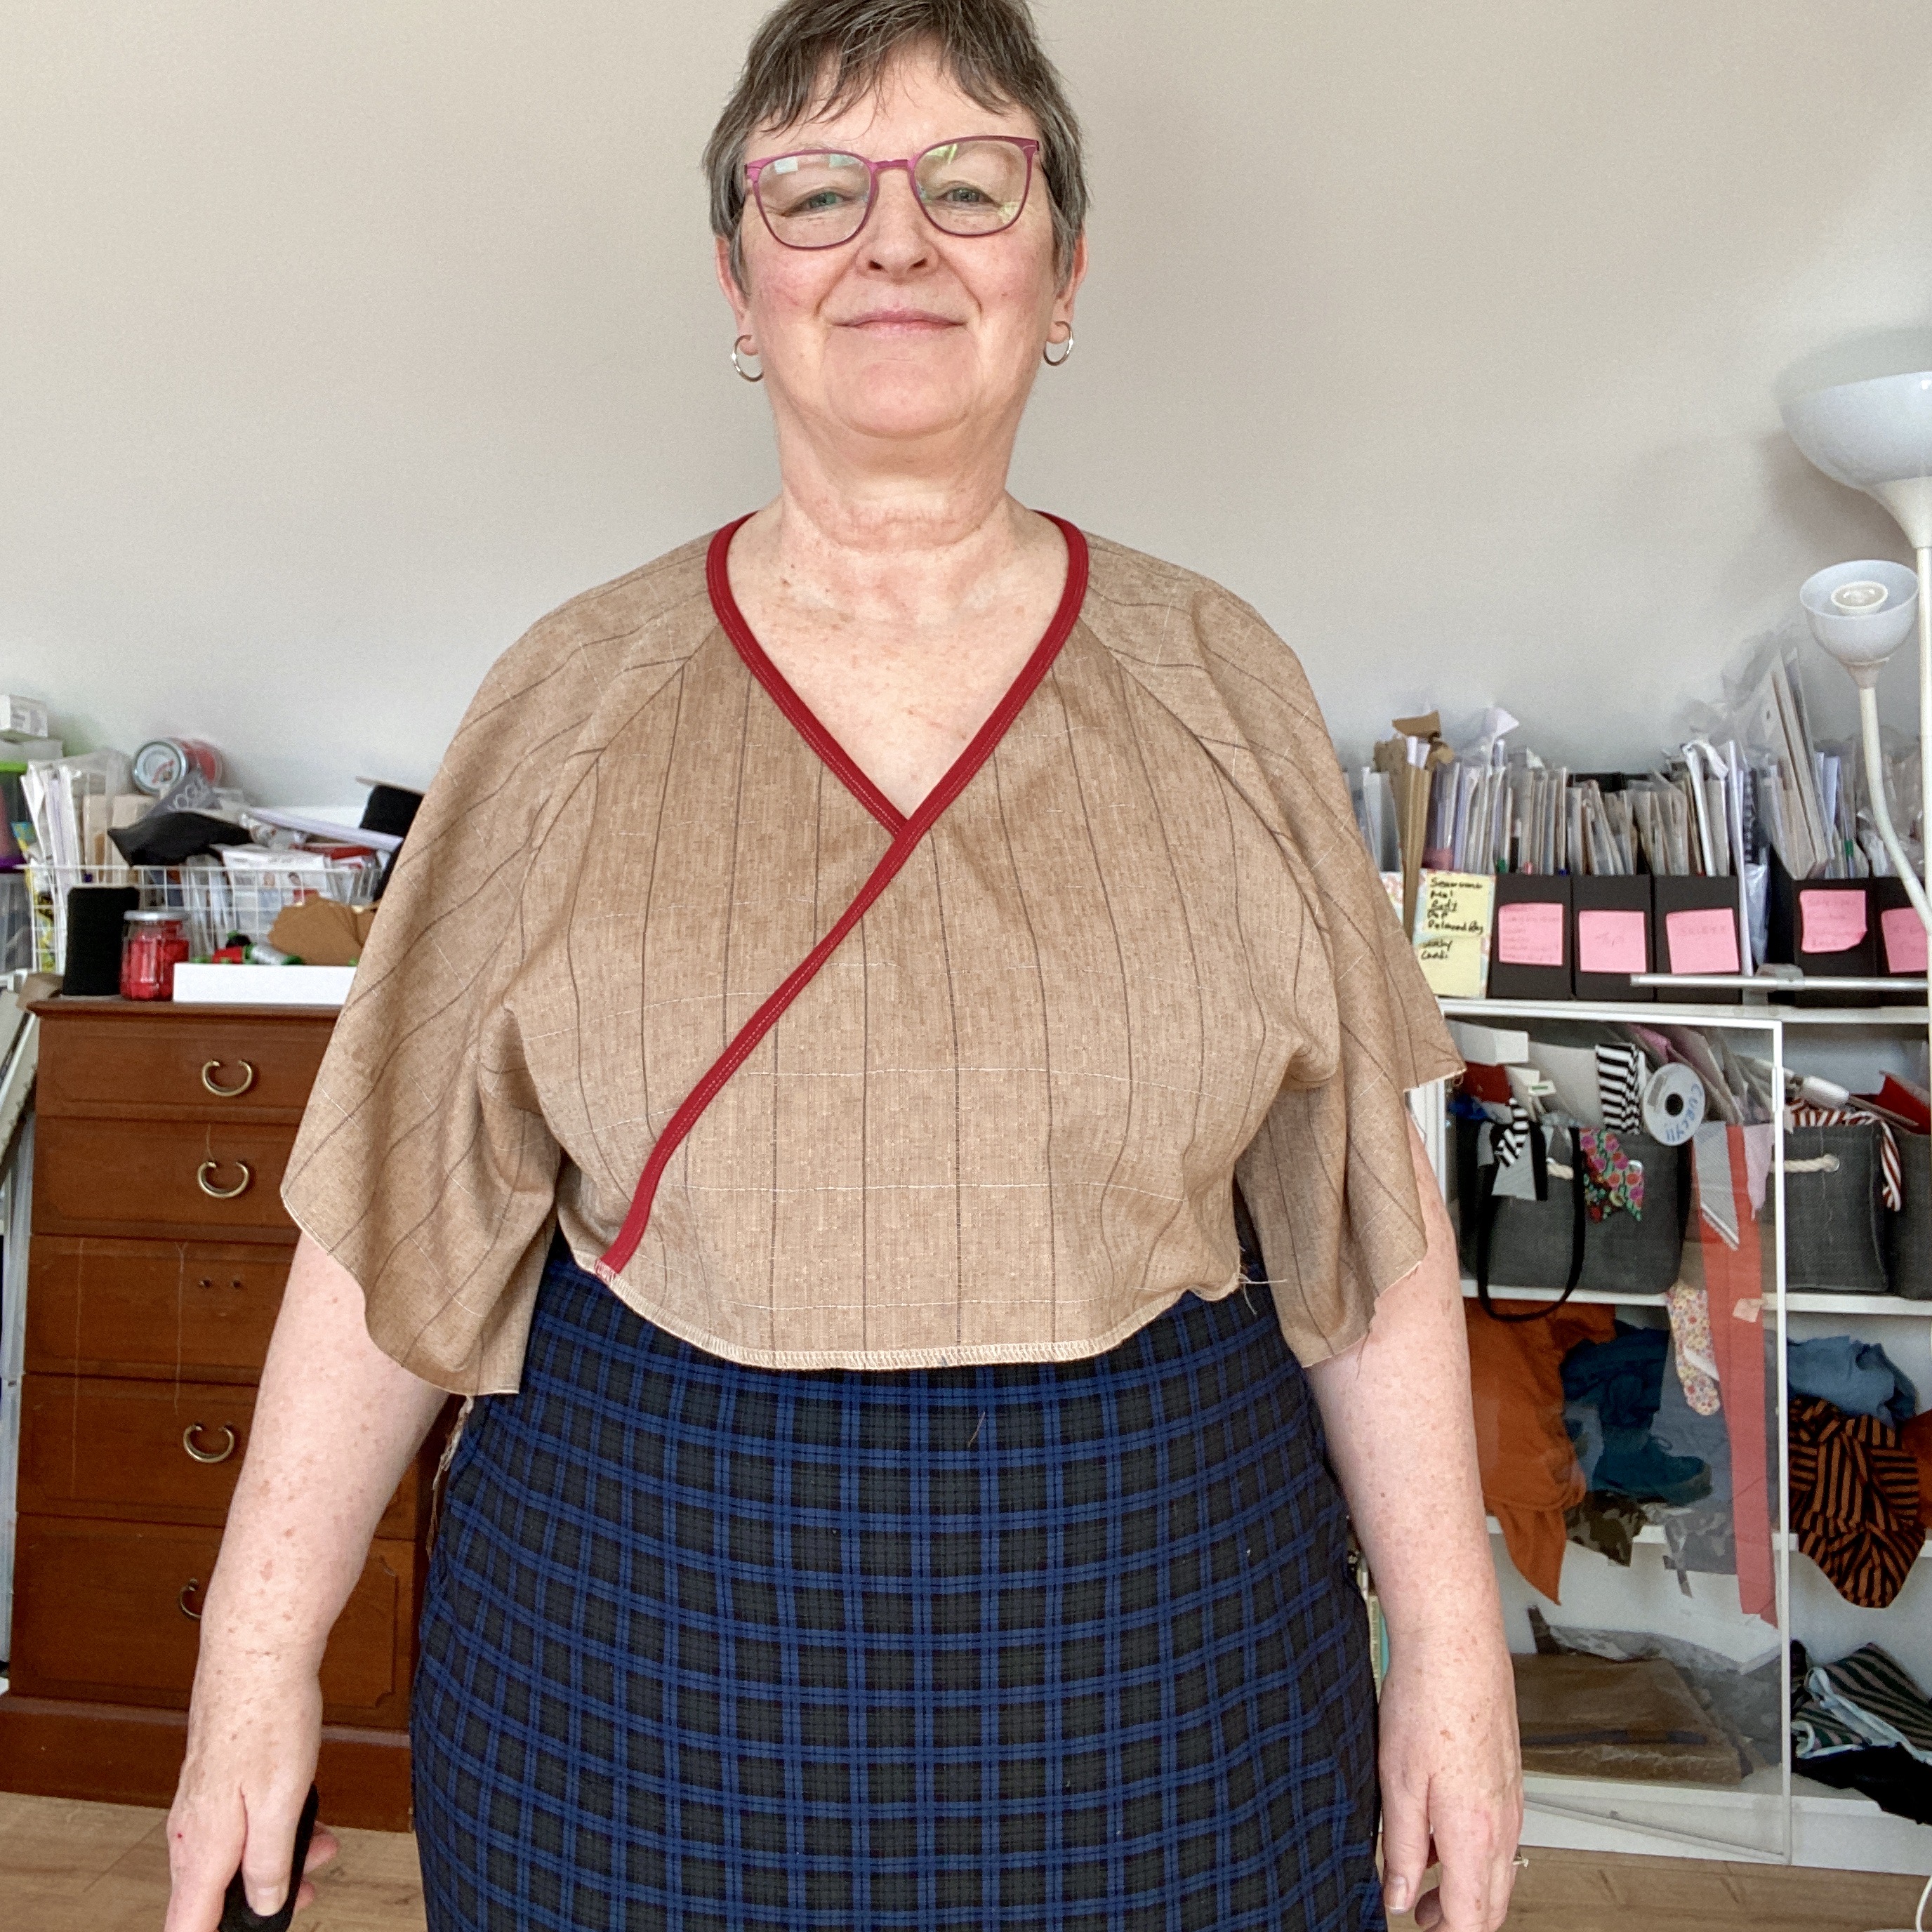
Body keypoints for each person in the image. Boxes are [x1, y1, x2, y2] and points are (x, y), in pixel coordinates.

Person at [165, 2, 1521, 1927]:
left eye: (972, 185)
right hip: (636, 1657)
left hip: (1170, 1653)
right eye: (816, 191)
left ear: (1063, 274)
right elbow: (396, 1219)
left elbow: (1365, 1227)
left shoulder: (1222, 681)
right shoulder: (570, 697)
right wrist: (252, 1659)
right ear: (741, 282)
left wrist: (1456, 1651)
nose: (897, 242)